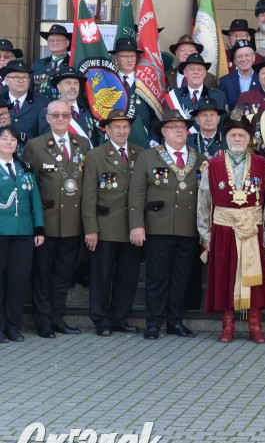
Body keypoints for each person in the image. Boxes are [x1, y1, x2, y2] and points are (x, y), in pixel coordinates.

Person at [129, 110, 206, 340]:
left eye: (182, 127)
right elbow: (136, 193)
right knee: (156, 278)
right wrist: (136, 225)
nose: (179, 130)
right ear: (163, 132)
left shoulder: (199, 158)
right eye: (173, 127)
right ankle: (153, 323)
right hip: (157, 228)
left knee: (182, 278)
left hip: (188, 228)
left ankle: (175, 322)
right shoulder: (148, 156)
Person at [198, 117, 265, 343]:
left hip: (253, 228)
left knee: (255, 279)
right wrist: (205, 235)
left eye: (242, 135)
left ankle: (255, 326)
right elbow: (204, 201)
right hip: (224, 229)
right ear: (226, 139)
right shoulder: (211, 165)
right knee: (226, 277)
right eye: (233, 135)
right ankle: (228, 327)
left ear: (249, 139)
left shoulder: (262, 164)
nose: (238, 139)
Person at [23, 100, 87, 337]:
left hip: (72, 222)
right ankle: (42, 322)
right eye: (55, 115)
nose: (60, 119)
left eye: (65, 115)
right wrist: (35, 224)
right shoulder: (35, 145)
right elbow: (30, 187)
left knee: (63, 276)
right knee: (42, 275)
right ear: (47, 118)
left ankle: (58, 319)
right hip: (47, 223)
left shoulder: (83, 143)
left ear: (71, 118)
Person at [81, 109, 142, 336]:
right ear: (106, 130)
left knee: (128, 276)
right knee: (101, 276)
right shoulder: (96, 155)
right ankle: (101, 320)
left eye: (126, 126)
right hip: (105, 227)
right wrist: (91, 229)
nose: (122, 131)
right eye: (116, 127)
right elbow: (88, 196)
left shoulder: (140, 153)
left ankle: (119, 318)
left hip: (132, 227)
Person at [0, 125, 44, 343]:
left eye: (13, 140)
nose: (9, 143)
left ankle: (13, 327)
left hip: (23, 233)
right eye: (4, 139)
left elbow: (34, 198)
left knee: (18, 281)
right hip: (1, 232)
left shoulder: (23, 167)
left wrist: (39, 228)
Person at [38, 68, 96, 144]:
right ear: (59, 87)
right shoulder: (48, 112)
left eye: (76, 83)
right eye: (68, 83)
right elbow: (45, 143)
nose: (73, 86)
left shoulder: (87, 112)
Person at [3, 59, 46, 144]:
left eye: (25, 77)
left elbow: (45, 136)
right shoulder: (1, 101)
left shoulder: (43, 103)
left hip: (31, 154)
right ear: (6, 80)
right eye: (16, 77)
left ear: (29, 80)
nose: (21, 80)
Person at [219, 39, 260, 111]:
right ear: (235, 61)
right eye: (239, 56)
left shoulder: (262, 79)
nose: (243, 59)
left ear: (253, 57)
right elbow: (223, 108)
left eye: (247, 55)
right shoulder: (225, 81)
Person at [31, 25, 72, 98]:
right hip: (41, 108)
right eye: (51, 40)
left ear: (67, 43)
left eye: (59, 40)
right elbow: (30, 91)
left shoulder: (74, 64)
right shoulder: (37, 65)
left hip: (64, 108)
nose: (55, 43)